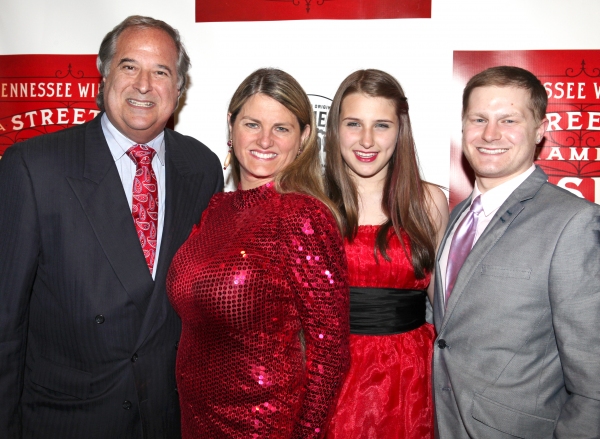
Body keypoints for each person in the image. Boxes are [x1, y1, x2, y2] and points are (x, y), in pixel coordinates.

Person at [0, 15, 223, 439]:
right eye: (129, 66)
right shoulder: (34, 167)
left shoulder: (202, 167)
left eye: (161, 71)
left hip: (167, 420)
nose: (144, 84)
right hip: (68, 421)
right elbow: (4, 324)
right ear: (104, 76)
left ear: (179, 89)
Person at [166, 68, 350, 438]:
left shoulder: (304, 216)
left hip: (263, 426)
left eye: (281, 128)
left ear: (303, 138)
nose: (265, 139)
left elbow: (330, 355)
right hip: (193, 419)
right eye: (252, 124)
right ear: (231, 126)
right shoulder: (215, 208)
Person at [432, 66, 600, 438]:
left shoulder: (574, 223)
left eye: (508, 119)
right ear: (462, 127)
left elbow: (594, 382)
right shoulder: (456, 215)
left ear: (540, 129)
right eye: (478, 119)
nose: (490, 134)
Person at [323, 69, 449, 439]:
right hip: (333, 374)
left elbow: (446, 307)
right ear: (335, 130)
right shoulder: (312, 204)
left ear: (400, 130)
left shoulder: (429, 203)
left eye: (381, 125)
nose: (366, 140)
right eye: (353, 123)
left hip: (411, 379)